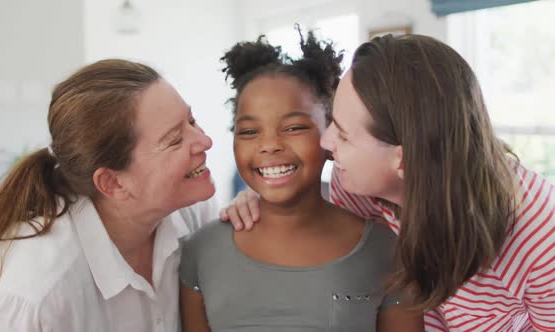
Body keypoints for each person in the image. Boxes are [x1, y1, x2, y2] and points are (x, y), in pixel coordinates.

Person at [221, 34, 555, 332]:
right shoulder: (355, 190)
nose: (327, 143)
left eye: (344, 135)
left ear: (404, 161)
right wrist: (263, 201)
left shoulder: (540, 236)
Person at [179, 29, 424, 332]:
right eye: (249, 132)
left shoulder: (387, 250)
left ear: (332, 134)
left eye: (294, 128)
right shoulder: (201, 252)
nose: (269, 145)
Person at [0, 59, 217, 331]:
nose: (205, 141)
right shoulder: (32, 293)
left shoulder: (191, 216)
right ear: (112, 183)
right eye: (175, 140)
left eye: (192, 121)